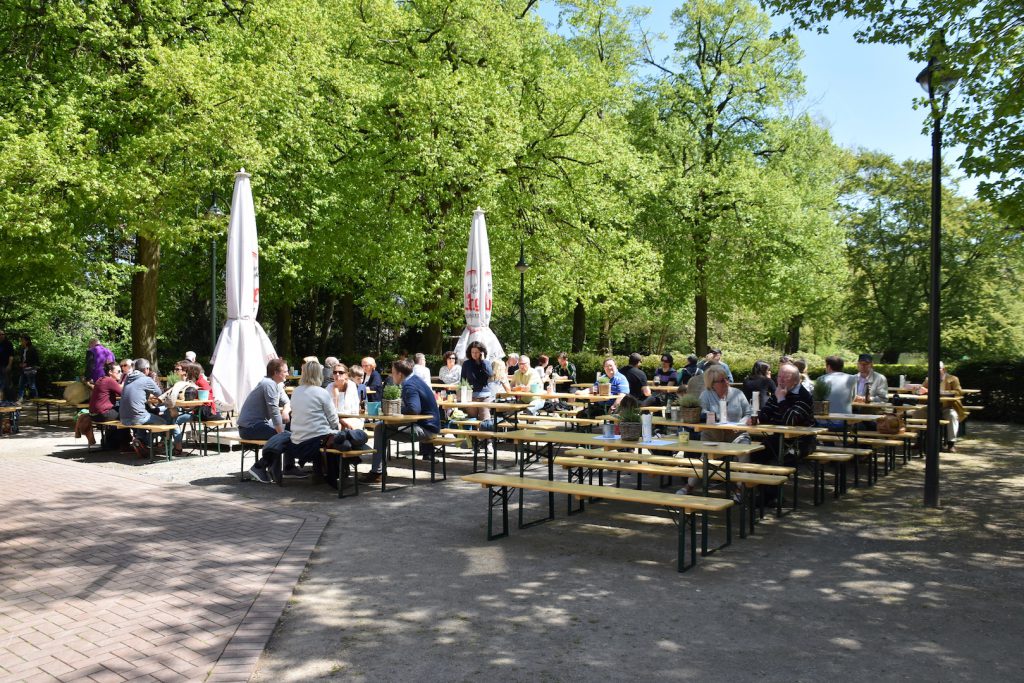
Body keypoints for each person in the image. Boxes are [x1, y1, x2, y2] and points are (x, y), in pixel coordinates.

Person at [361, 359, 441, 483]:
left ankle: (377, 472)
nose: (391, 375)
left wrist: (392, 408)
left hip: (426, 429)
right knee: (381, 426)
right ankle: (379, 470)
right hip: (428, 425)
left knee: (380, 428)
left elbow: (414, 409)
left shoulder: (409, 385)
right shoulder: (414, 380)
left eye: (393, 372)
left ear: (400, 374)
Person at [240, 359, 293, 484]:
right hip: (249, 428)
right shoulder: (268, 384)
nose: (287, 374)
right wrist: (280, 434)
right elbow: (274, 412)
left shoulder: (277, 384)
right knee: (284, 438)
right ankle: (260, 467)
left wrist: (286, 411)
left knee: (290, 429)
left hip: (259, 424)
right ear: (276, 373)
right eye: (285, 371)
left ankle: (286, 468)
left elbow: (287, 402)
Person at [757, 362, 817, 465]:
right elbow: (765, 415)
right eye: (779, 376)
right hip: (777, 439)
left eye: (786, 378)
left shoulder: (804, 396)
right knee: (755, 455)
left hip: (801, 441)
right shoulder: (778, 392)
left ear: (796, 380)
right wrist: (756, 418)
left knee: (783, 461)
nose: (781, 380)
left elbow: (790, 421)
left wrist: (781, 399)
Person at [119, 358, 174, 455]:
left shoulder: (128, 378)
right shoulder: (146, 379)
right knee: (164, 422)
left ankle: (140, 440)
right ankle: (146, 442)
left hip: (123, 418)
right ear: (146, 369)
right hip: (137, 417)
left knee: (145, 415)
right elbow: (160, 394)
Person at [916, 361, 966, 452]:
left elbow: (958, 392)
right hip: (931, 407)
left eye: (937, 369)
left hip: (947, 406)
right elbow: (920, 391)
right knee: (917, 413)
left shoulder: (953, 379)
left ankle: (951, 443)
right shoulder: (928, 379)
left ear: (943, 369)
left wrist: (941, 393)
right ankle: (918, 440)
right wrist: (917, 390)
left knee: (952, 415)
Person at [86, 361, 125, 448]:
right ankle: (125, 444)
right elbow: (124, 394)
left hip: (93, 415)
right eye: (118, 371)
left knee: (120, 410)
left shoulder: (101, 379)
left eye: (121, 371)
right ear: (110, 372)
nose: (121, 373)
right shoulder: (110, 380)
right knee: (128, 413)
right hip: (102, 414)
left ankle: (112, 441)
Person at [461, 341, 493, 422]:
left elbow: (490, 374)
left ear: (481, 353)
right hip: (471, 396)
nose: (474, 354)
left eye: (477, 352)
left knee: (485, 420)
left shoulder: (486, 363)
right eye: (472, 352)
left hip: (485, 396)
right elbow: (463, 380)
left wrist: (483, 361)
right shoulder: (466, 364)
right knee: (471, 420)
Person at [330, 363, 364, 430]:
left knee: (341, 426)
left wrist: (341, 419)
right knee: (338, 426)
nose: (337, 374)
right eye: (335, 372)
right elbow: (329, 412)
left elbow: (354, 410)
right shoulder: (329, 387)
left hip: (352, 418)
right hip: (336, 419)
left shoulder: (351, 386)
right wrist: (335, 397)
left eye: (340, 372)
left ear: (346, 375)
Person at [17, 334, 39, 402]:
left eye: (22, 340)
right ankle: (20, 398)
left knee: (31, 385)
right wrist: (20, 363)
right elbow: (22, 359)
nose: (21, 342)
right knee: (21, 384)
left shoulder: (32, 349)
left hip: (30, 370)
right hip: (23, 370)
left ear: (27, 341)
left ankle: (36, 399)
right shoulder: (22, 349)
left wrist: (27, 364)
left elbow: (36, 360)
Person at [0, 329, 14, 401]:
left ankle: (9, 399)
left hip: (5, 365)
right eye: (0, 334)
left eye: (3, 334)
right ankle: (2, 398)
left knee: (6, 382)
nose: (2, 336)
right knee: (2, 382)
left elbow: (11, 355)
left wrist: (9, 365)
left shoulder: (8, 343)